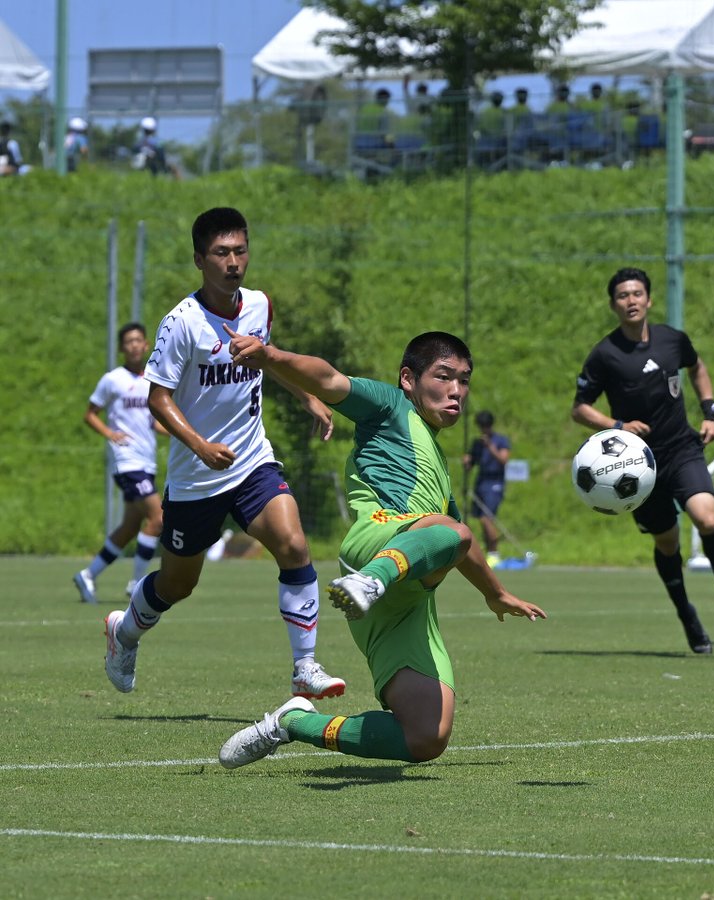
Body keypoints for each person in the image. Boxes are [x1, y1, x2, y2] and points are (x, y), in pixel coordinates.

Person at [215, 329, 546, 769]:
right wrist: (271, 356)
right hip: (374, 543)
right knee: (451, 528)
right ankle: (371, 580)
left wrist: (496, 593)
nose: (456, 390)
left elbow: (456, 542)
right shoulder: (390, 406)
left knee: (426, 736)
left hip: (407, 600)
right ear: (408, 379)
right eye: (444, 376)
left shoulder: (439, 467)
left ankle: (292, 723)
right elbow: (328, 379)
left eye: (464, 380)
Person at [102, 207, 345, 702]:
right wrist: (199, 445)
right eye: (221, 253)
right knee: (177, 585)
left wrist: (306, 395)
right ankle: (123, 632)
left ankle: (304, 667)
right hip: (196, 478)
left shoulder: (259, 305)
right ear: (199, 259)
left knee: (293, 544)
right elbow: (158, 398)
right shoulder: (181, 323)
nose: (233, 262)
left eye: (240, 251)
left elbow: (264, 357)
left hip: (252, 460)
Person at [572, 267, 714, 654]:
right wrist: (618, 426)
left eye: (637, 294)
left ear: (649, 300)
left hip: (681, 448)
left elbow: (697, 367)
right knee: (668, 544)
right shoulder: (605, 354)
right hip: (636, 467)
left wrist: (710, 411)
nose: (631, 301)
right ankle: (686, 613)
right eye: (623, 296)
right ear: (613, 305)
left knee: (707, 519)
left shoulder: (672, 339)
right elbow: (580, 408)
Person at [74, 323, 165, 604]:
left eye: (138, 340)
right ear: (122, 348)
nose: (134, 345)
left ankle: (88, 574)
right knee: (159, 518)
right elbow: (90, 414)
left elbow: (154, 422)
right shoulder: (112, 379)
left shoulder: (153, 380)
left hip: (146, 461)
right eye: (128, 341)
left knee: (129, 527)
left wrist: (185, 433)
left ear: (147, 345)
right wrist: (110, 433)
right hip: (127, 462)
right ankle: (137, 584)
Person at [462, 410, 510, 567]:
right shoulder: (477, 443)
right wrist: (467, 461)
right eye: (481, 426)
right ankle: (486, 551)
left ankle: (494, 553)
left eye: (486, 426)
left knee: (486, 518)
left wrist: (490, 447)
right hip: (480, 482)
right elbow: (471, 464)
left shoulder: (500, 441)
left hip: (495, 482)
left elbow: (503, 460)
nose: (484, 429)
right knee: (479, 518)